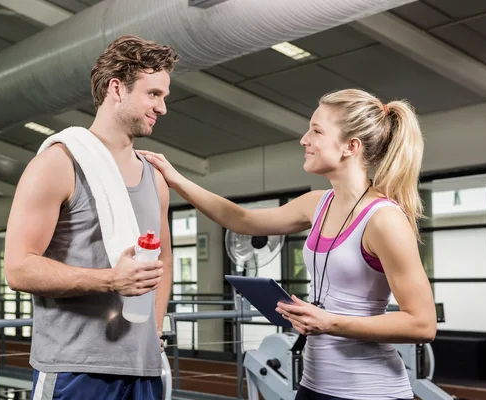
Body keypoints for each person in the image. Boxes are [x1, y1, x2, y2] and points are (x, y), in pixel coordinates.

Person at [139, 88, 437, 400]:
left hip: (370, 391)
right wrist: (177, 179)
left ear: (351, 146)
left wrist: (330, 322)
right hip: (313, 385)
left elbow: (422, 323)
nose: (304, 140)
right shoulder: (317, 203)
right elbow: (242, 220)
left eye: (317, 131)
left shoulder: (384, 219)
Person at [3, 35, 179, 400]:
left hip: (143, 366)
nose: (162, 108)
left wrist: (156, 328)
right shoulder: (57, 164)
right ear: (117, 88)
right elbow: (18, 268)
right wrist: (112, 280)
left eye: (164, 96)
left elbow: (163, 257)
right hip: (75, 367)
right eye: (153, 94)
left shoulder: (156, 176)